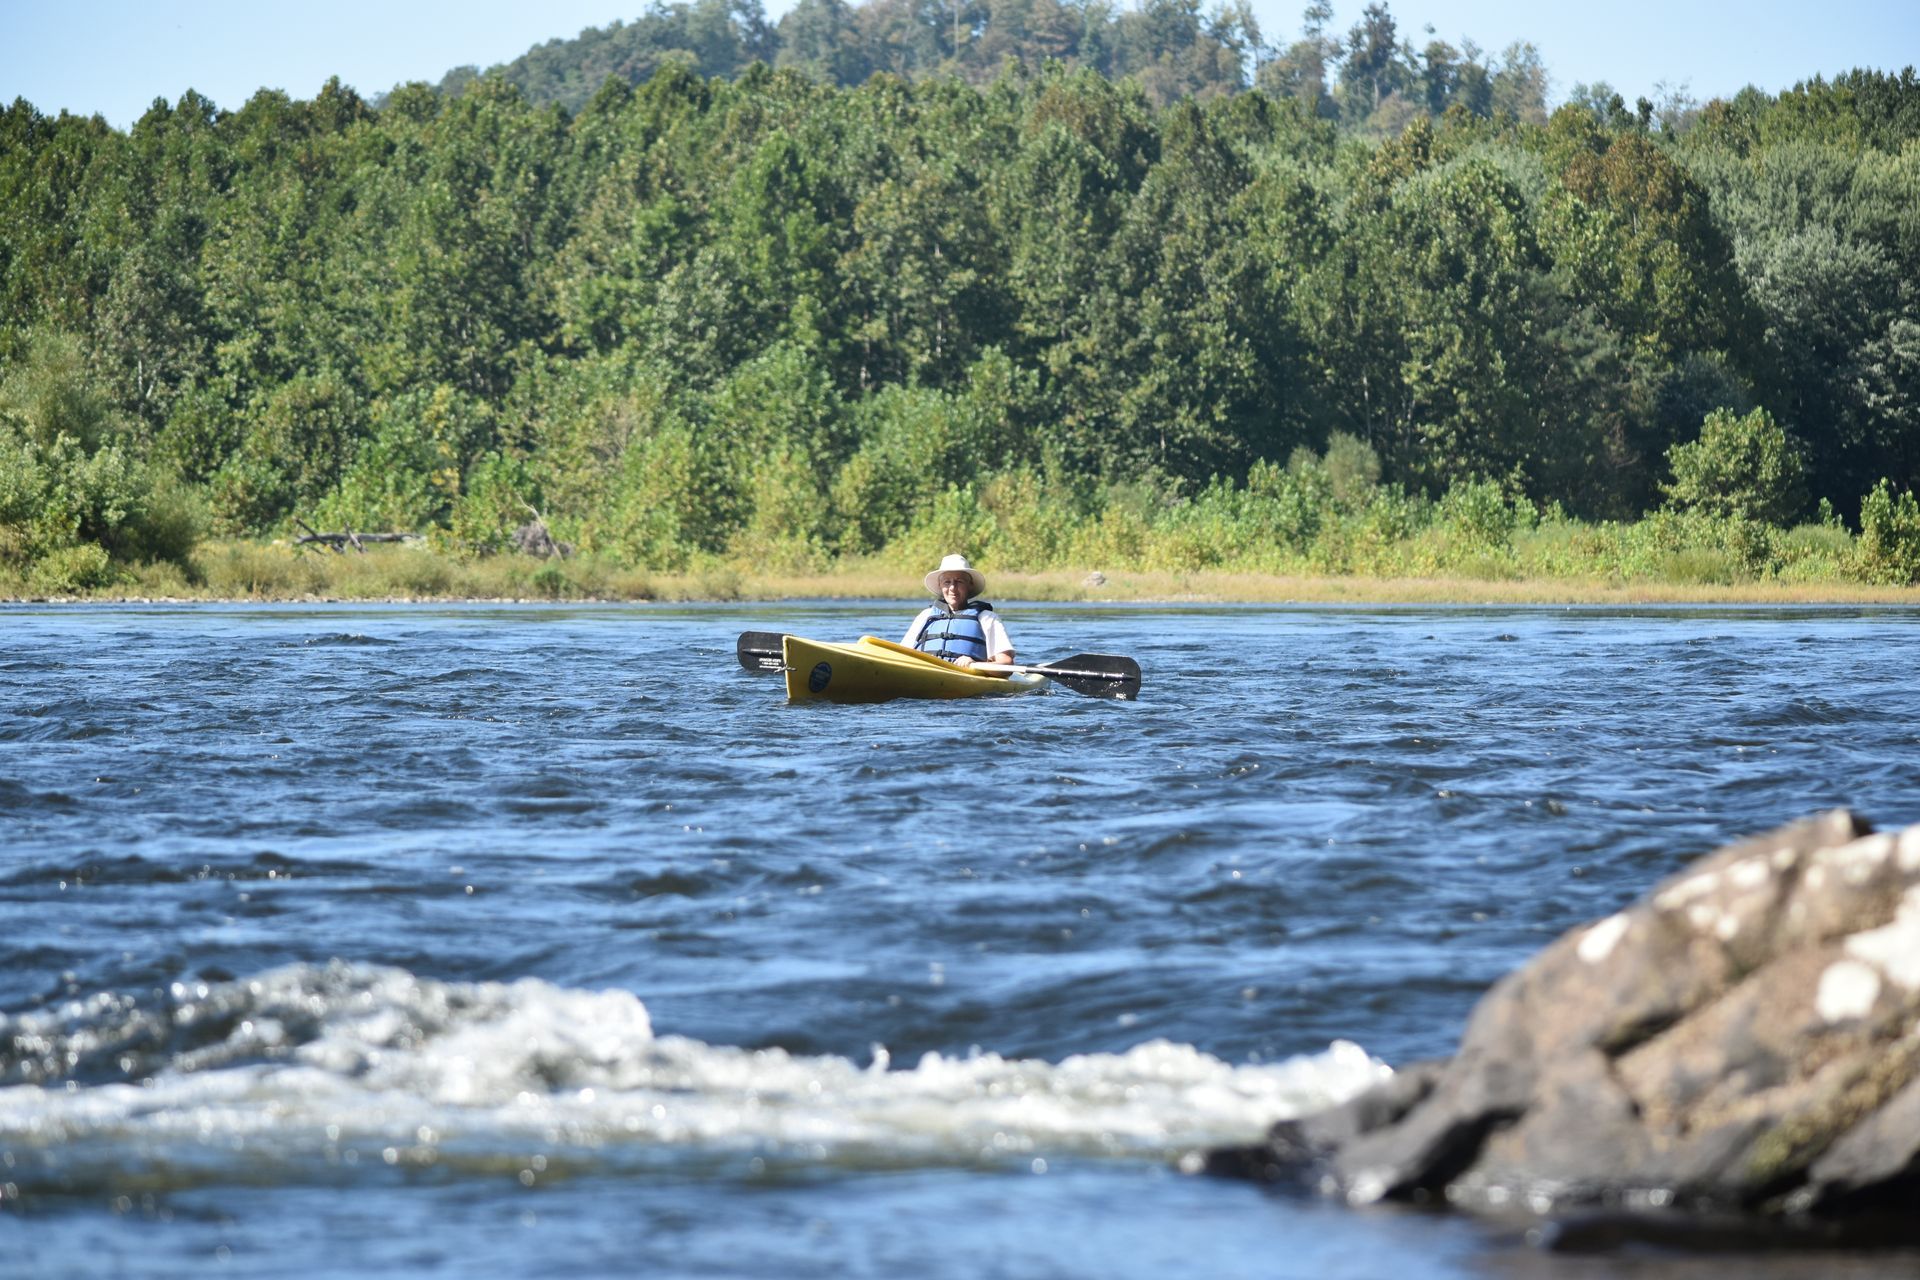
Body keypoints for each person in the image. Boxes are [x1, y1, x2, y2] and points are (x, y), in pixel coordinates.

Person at [903, 554, 1014, 668]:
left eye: (959, 581)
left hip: (966, 676)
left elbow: (1006, 663)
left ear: (970, 585)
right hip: (927, 670)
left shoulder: (987, 618)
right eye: (947, 582)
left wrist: (974, 664)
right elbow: (903, 655)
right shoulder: (926, 616)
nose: (952, 588)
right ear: (940, 585)